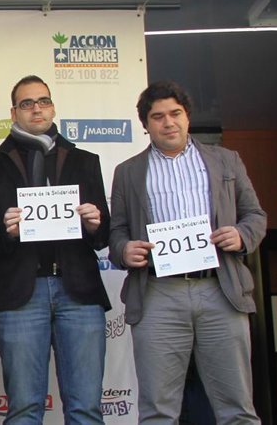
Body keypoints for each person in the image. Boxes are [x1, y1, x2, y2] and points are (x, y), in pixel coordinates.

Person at [109, 80, 266, 424]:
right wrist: (124, 249)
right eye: (158, 116)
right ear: (146, 124)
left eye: (175, 113)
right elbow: (117, 231)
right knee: (158, 411)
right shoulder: (128, 172)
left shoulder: (226, 161)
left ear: (187, 116)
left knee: (237, 408)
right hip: (157, 293)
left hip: (220, 289)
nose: (169, 122)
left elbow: (255, 216)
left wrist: (241, 235)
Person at [0, 75, 110, 424]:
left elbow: (104, 235)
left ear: (53, 107)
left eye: (43, 101)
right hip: (18, 293)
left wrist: (94, 224)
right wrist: (6, 232)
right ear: (13, 112)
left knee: (86, 409)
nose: (37, 108)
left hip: (79, 291)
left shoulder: (85, 160)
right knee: (23, 409)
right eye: (27, 103)